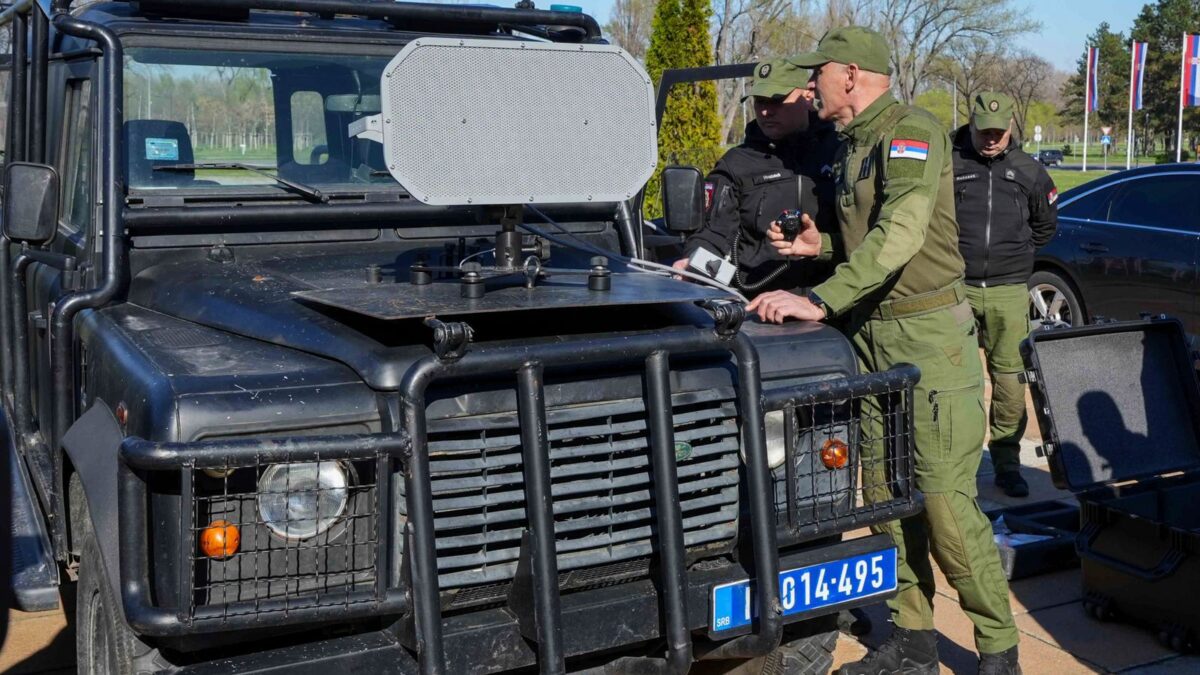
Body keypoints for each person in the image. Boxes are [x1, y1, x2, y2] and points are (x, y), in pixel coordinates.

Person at [747, 27, 1020, 674]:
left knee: (944, 502)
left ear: (851, 73)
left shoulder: (912, 133)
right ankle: (913, 639)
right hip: (870, 336)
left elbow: (901, 233)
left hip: (927, 337)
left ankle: (999, 648)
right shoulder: (850, 147)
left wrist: (820, 297)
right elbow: (871, 244)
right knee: (885, 493)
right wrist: (823, 250)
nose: (809, 84)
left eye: (818, 73)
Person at [952, 92, 1058, 499]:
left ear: (1011, 125)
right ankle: (958, 467)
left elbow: (1045, 226)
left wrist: (1017, 254)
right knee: (956, 383)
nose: (991, 139)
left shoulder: (1029, 171)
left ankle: (1006, 464)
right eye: (984, 131)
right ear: (972, 124)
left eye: (998, 132)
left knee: (1010, 382)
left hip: (1009, 289)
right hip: (956, 288)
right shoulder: (950, 162)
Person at [672, 57, 840, 295]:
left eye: (777, 100)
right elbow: (713, 233)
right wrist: (693, 262)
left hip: (831, 305)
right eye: (759, 101)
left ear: (807, 94)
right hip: (758, 307)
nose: (765, 111)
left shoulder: (840, 152)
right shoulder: (736, 163)